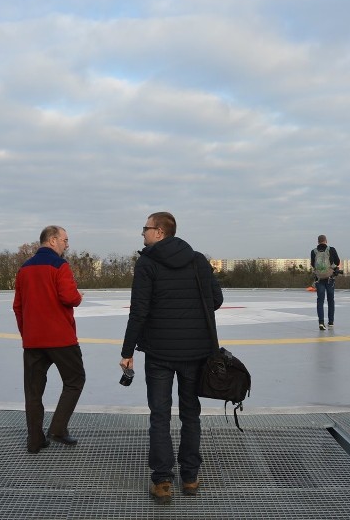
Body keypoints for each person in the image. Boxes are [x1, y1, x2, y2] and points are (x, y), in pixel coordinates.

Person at [120, 212, 223, 505]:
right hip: (196, 352)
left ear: (160, 232)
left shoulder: (147, 262)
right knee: (191, 415)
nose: (143, 234)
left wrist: (127, 352)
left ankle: (163, 481)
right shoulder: (198, 260)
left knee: (160, 416)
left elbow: (138, 311)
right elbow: (216, 300)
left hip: (160, 354)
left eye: (146, 229)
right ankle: (190, 478)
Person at [13, 225, 86, 453]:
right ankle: (58, 428)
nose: (67, 244)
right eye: (65, 239)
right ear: (52, 240)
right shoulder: (59, 265)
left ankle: (35, 440)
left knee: (33, 392)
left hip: (33, 341)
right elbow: (69, 297)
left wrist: (27, 333)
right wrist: (79, 296)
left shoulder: (24, 268)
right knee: (75, 381)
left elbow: (18, 306)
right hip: (61, 338)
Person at [310, 235, 341, 331]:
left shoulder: (313, 251)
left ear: (318, 242)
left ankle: (321, 322)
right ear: (326, 241)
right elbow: (338, 261)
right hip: (330, 278)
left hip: (319, 279)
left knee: (320, 300)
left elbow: (312, 263)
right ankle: (331, 322)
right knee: (330, 300)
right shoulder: (331, 249)